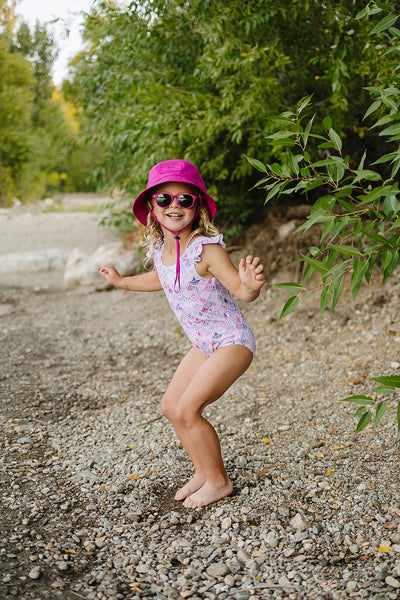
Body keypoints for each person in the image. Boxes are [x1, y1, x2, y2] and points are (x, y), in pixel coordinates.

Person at [98, 159, 265, 508]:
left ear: (198, 206)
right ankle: (203, 472)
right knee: (171, 407)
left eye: (185, 199)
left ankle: (219, 482)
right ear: (152, 209)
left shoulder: (207, 249)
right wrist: (122, 281)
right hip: (203, 344)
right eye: (164, 200)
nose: (175, 205)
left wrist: (250, 287)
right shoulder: (162, 250)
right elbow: (160, 279)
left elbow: (240, 289)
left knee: (189, 409)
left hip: (231, 341)